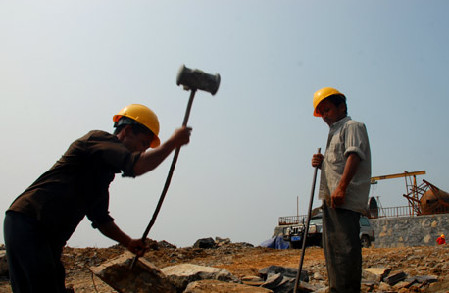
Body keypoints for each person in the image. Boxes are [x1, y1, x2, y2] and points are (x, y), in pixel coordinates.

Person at [3, 104, 192, 293]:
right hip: (29, 222)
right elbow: (137, 165)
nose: (143, 150)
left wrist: (128, 242)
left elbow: (101, 219)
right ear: (127, 131)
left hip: (46, 236)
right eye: (143, 143)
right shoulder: (97, 140)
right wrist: (173, 142)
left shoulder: (102, 173)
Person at [311, 87, 371, 293]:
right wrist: (321, 163)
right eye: (322, 113)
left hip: (344, 199)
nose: (324, 116)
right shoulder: (334, 134)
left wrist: (341, 188)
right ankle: (337, 288)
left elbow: (354, 157)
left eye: (327, 110)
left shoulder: (352, 127)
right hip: (332, 200)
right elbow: (337, 164)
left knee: (345, 251)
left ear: (341, 107)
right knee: (333, 251)